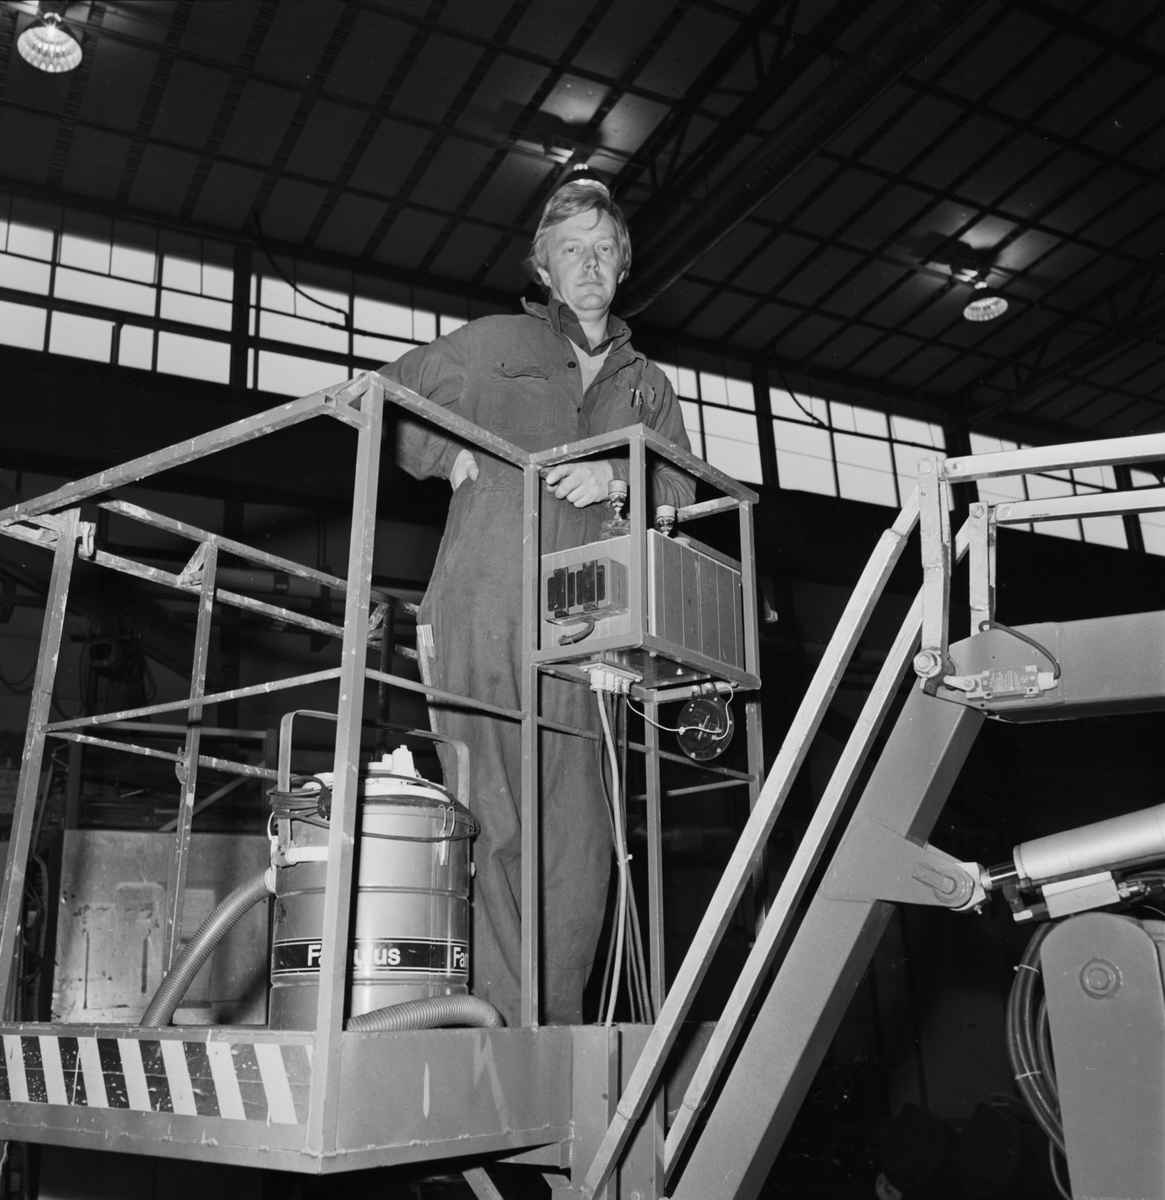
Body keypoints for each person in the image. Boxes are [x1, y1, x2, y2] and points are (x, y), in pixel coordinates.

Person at [379, 179, 694, 1027]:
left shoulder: (647, 384)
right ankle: (498, 1025)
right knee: (491, 818)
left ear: (622, 266)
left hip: (590, 621)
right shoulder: (491, 343)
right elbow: (380, 397)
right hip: (484, 604)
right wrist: (443, 457)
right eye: (570, 250)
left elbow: (682, 484)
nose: (588, 264)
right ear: (544, 269)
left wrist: (620, 476)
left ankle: (552, 1033)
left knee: (581, 839)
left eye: (603, 249)